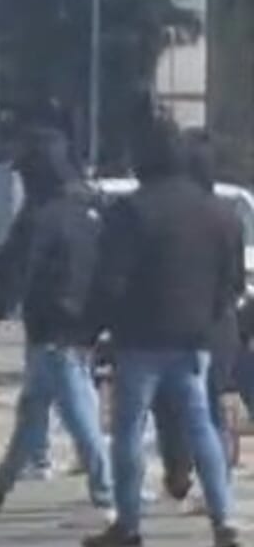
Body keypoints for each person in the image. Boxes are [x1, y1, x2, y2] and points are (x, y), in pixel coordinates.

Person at [82, 117, 241, 547]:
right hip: (195, 339)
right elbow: (232, 284)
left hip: (140, 339)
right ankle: (224, 519)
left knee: (129, 431)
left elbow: (110, 280)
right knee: (202, 426)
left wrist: (96, 329)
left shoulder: (130, 211)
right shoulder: (220, 213)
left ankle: (128, 524)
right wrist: (207, 317)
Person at [0, 128, 113, 526]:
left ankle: (107, 495)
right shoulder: (93, 210)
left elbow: (12, 278)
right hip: (85, 326)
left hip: (52, 329)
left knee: (79, 416)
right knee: (33, 410)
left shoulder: (40, 218)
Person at [155, 129, 246, 514]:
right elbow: (236, 281)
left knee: (175, 406)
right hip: (219, 324)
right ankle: (215, 490)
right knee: (210, 410)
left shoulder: (169, 216)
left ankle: (183, 476)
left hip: (179, 327)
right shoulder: (229, 216)